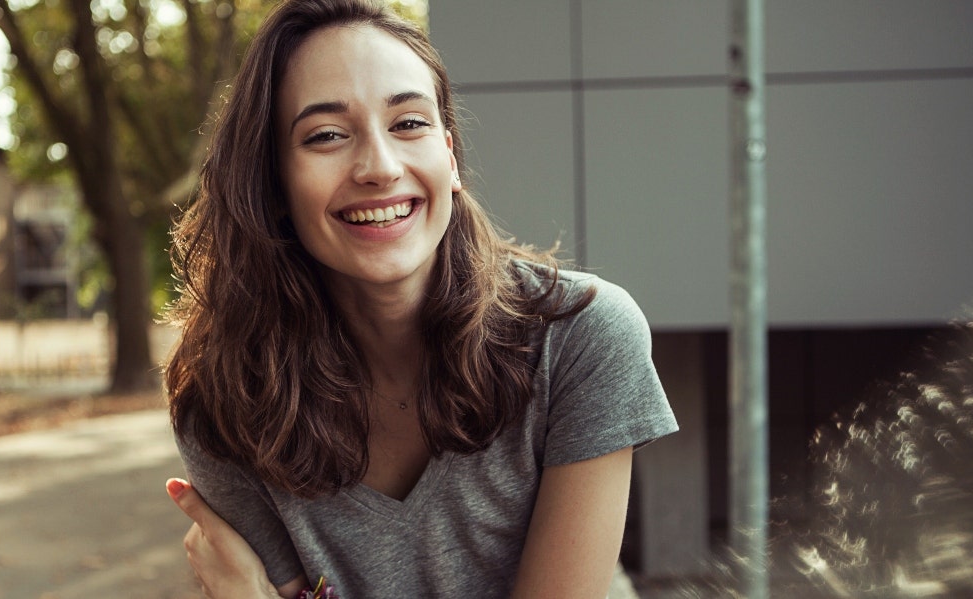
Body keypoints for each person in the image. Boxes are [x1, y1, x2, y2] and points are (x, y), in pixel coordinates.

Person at [162, 0, 678, 597]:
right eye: (326, 135)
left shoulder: (583, 337)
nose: (380, 168)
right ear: (271, 183)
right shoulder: (223, 400)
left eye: (409, 123)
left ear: (451, 158)